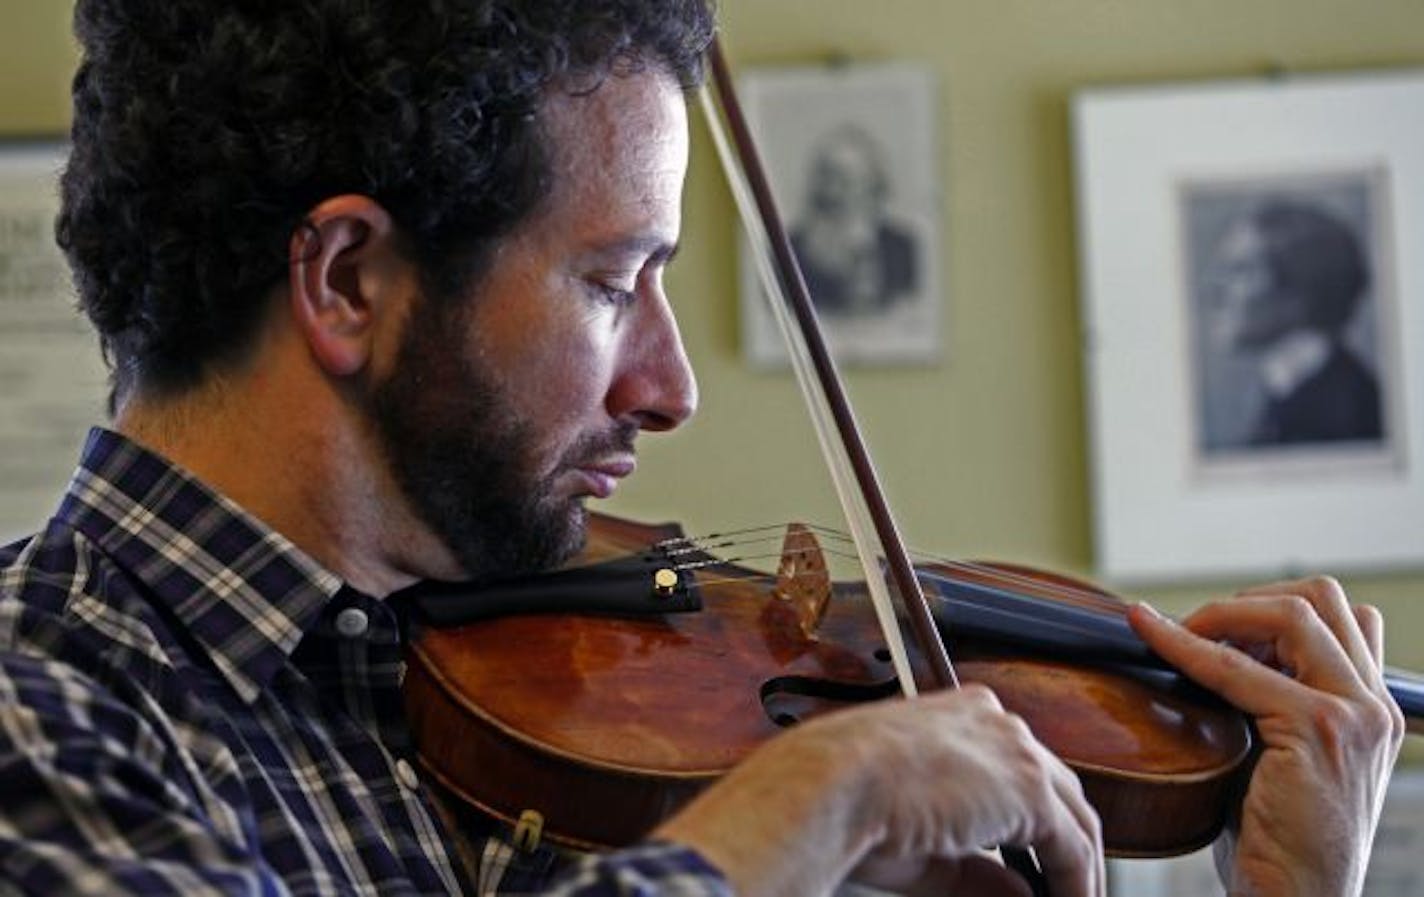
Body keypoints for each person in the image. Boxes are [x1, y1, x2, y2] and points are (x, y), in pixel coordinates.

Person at [0, 2, 1403, 896]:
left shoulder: (522, 745)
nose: (671, 388)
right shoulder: (42, 712)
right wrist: (812, 800)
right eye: (616, 282)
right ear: (351, 282)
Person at [1206, 197, 1384, 446]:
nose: (1217, 290)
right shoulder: (1285, 391)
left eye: (1242, 271)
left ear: (1300, 293)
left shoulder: (1352, 412)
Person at [789, 124, 920, 317]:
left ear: (872, 188)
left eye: (844, 181)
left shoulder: (903, 249)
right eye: (824, 176)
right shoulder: (788, 249)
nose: (830, 192)